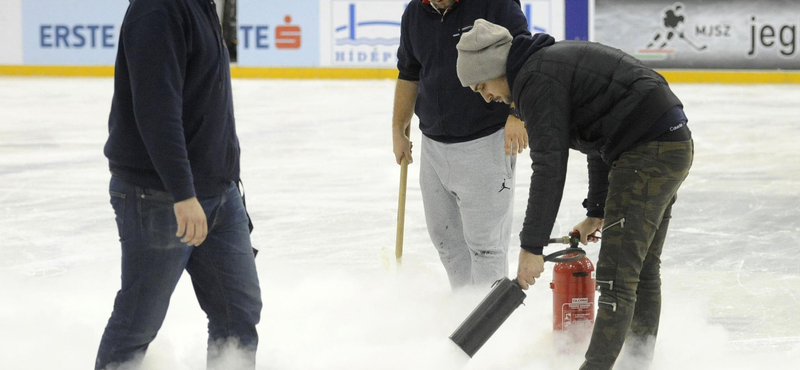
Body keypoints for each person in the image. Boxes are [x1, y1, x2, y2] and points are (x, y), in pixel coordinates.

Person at [455, 19, 693, 370]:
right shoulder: (544, 65)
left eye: (482, 86)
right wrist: (597, 209)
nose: (486, 96)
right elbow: (599, 137)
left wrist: (531, 246)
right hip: (668, 143)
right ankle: (637, 363)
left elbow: (550, 167)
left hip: (648, 149)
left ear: (494, 68)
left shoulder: (536, 80)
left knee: (616, 278)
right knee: (639, 271)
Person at [96, 0, 262, 369]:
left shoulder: (201, 4)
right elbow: (157, 111)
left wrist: (226, 178)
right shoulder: (158, 10)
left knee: (239, 313)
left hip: (218, 192)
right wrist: (182, 193)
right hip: (160, 195)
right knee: (138, 322)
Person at [392, 0, 530, 289]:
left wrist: (518, 112)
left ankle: (488, 325)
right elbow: (409, 72)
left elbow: (524, 55)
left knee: (486, 246)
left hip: (486, 141)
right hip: (433, 143)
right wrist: (398, 128)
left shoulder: (496, 4)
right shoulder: (415, 13)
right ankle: (462, 312)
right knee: (447, 243)